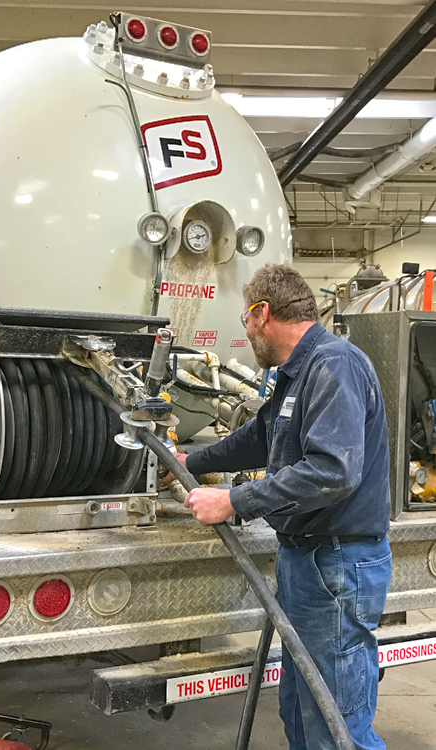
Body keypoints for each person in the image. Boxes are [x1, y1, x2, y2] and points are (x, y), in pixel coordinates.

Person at [180, 264, 391, 750]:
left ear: (263, 313)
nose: (246, 332)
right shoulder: (296, 374)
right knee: (301, 714)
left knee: (336, 727)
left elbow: (332, 470)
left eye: (245, 320)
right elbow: (261, 438)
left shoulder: (334, 364)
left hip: (337, 563)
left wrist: (234, 501)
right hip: (308, 561)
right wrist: (188, 460)